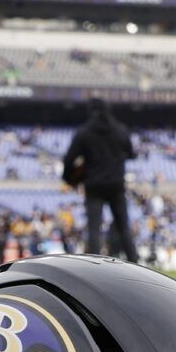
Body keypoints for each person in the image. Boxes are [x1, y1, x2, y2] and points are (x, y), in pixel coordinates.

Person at [62, 97, 136, 260]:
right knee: (123, 227)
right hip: (116, 185)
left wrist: (69, 178)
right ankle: (136, 264)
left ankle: (94, 267)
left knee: (94, 229)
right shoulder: (120, 130)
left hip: (94, 186)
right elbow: (131, 152)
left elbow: (69, 159)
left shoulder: (84, 133)